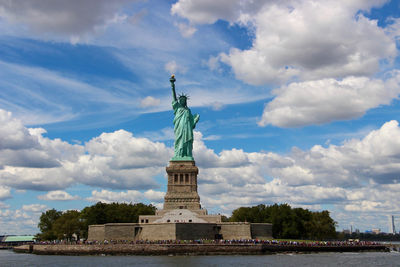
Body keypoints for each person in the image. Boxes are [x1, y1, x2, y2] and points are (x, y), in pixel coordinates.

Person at [170, 75, 199, 160]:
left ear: (186, 101)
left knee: (187, 141)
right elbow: (174, 97)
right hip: (179, 128)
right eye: (181, 100)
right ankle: (178, 155)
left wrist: (195, 120)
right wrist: (172, 85)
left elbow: (192, 123)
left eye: (184, 100)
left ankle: (187, 154)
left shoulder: (188, 110)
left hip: (187, 128)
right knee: (179, 140)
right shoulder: (177, 107)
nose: (182, 101)